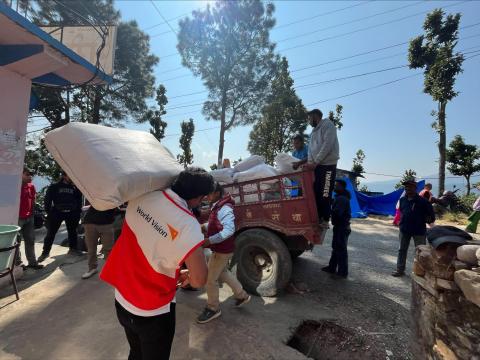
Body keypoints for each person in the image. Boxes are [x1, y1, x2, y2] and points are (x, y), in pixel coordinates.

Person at [100, 167, 213, 360]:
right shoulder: (188, 224)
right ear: (198, 198)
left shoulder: (142, 196)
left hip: (122, 297)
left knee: (135, 353)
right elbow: (199, 279)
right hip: (152, 310)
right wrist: (189, 279)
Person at [197, 183, 250, 324]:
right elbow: (217, 222)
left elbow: (228, 230)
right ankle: (242, 295)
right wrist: (206, 226)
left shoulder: (225, 207)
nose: (206, 197)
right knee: (223, 273)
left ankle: (212, 308)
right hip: (222, 249)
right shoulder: (219, 205)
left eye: (208, 194)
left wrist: (209, 241)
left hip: (221, 250)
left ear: (216, 193)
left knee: (210, 280)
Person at [301, 109, 340, 227]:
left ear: (315, 116)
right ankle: (317, 217)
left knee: (325, 192)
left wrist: (315, 162)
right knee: (316, 192)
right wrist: (309, 163)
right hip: (317, 167)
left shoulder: (328, 125)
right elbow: (310, 150)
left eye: (309, 118)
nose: (309, 121)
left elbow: (327, 145)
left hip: (328, 165)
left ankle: (325, 219)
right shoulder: (313, 132)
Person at [392, 179, 435, 277]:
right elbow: (402, 212)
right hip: (404, 229)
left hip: (419, 230)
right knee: (402, 250)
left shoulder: (423, 201)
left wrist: (424, 219)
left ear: (415, 188)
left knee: (421, 252)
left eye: (410, 187)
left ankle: (421, 272)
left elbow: (431, 217)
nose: (408, 189)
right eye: (406, 187)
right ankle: (400, 270)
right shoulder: (402, 200)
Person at [38, 172, 83, 262]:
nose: (71, 178)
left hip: (72, 213)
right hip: (57, 213)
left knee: (73, 232)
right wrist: (49, 212)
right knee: (51, 233)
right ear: (63, 176)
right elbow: (48, 200)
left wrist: (78, 212)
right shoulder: (55, 186)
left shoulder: (75, 188)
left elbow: (79, 200)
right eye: (69, 175)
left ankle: (73, 249)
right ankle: (45, 252)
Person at [322, 179, 351, 279]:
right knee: (336, 248)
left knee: (340, 250)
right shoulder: (340, 197)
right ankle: (332, 267)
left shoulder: (342, 199)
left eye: (336, 186)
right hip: (340, 226)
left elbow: (337, 213)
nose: (334, 187)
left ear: (341, 187)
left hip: (342, 227)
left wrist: (327, 211)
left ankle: (342, 273)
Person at [16, 168, 43, 270]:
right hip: (18, 218)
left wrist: (32, 214)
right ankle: (18, 264)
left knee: (30, 240)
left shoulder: (31, 187)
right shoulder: (15, 187)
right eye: (27, 175)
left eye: (31, 175)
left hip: (29, 218)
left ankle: (32, 262)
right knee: (16, 242)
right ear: (21, 175)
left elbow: (33, 200)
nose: (30, 177)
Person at [81, 205, 116, 280]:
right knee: (91, 249)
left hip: (107, 223)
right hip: (90, 222)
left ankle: (110, 271)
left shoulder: (114, 194)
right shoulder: (94, 193)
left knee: (108, 249)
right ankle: (92, 268)